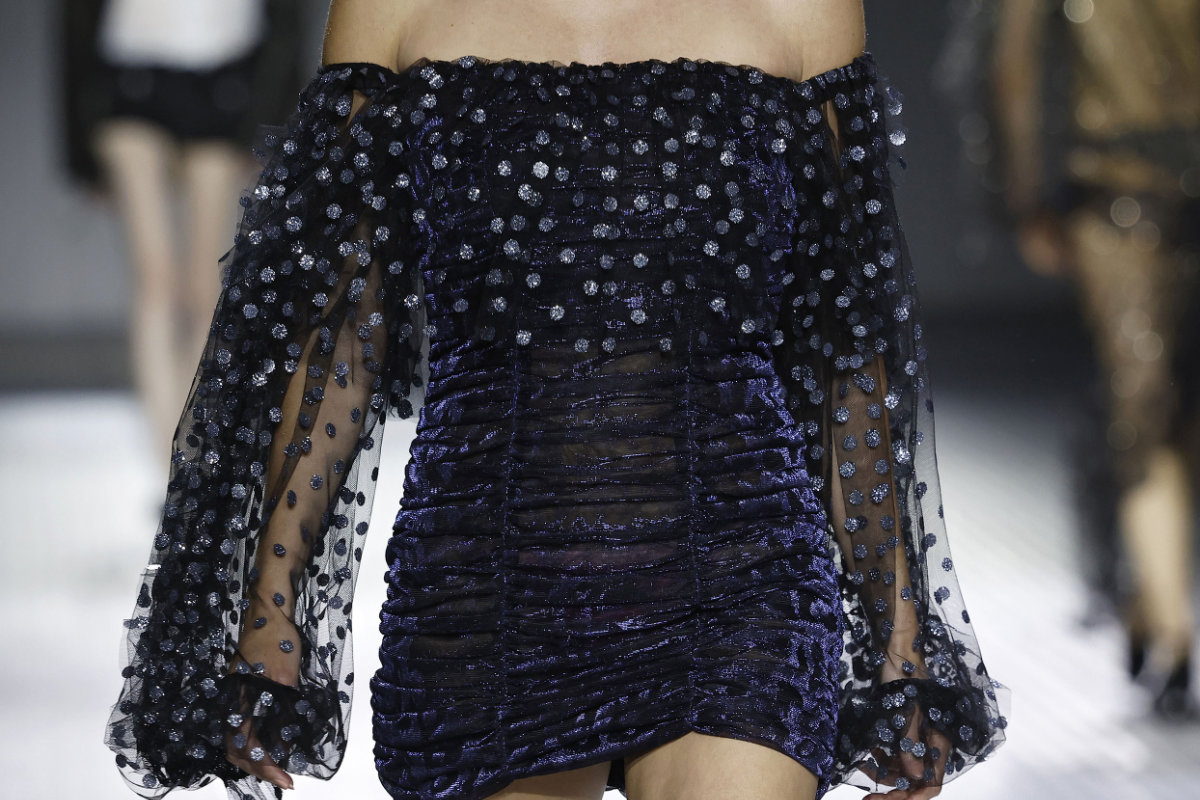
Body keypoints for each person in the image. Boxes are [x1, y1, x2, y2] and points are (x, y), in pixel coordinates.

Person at [102, 2, 1010, 799]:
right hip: (485, 588)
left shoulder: (803, 7)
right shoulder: (392, 6)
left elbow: (846, 342)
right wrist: (270, 605)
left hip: (742, 576)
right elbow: (342, 329)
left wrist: (899, 644)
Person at [983, 0, 1200, 718]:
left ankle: (1158, 606)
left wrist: (1022, 200)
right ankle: (1168, 620)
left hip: (1117, 184)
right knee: (1156, 402)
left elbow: (1013, 65)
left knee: (1149, 404)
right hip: (1128, 188)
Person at [61, 0, 302, 455]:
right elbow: (75, 22)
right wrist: (81, 157)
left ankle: (190, 461)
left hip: (226, 77)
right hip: (130, 78)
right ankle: (169, 464)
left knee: (201, 287)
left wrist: (275, 123)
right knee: (157, 281)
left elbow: (285, 21)